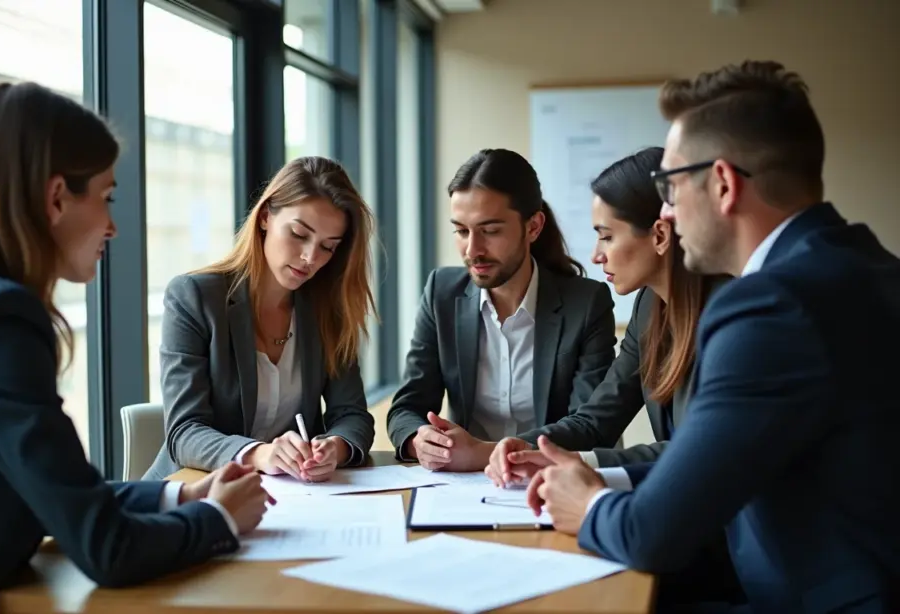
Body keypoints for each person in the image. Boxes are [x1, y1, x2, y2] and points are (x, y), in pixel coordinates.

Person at [0, 82, 271, 614]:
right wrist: (219, 519)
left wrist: (181, 495)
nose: (111, 225)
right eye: (106, 197)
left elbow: (50, 492)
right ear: (56, 196)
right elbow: (107, 548)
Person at [529, 61, 900, 612]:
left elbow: (648, 535)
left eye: (671, 187)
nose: (669, 214)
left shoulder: (770, 307)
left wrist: (585, 506)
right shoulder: (868, 267)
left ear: (723, 184)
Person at [484, 147, 727, 485]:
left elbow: (697, 451)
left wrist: (574, 462)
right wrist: (523, 448)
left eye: (607, 236)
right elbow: (596, 420)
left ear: (660, 235)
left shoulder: (727, 315)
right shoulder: (649, 307)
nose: (596, 256)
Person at [143, 156, 377, 483]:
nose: (310, 257)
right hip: (194, 491)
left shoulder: (328, 310)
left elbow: (351, 415)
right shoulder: (194, 298)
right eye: (298, 234)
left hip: (289, 495)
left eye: (327, 247)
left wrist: (332, 448)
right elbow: (184, 432)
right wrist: (260, 454)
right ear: (266, 216)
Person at [385, 148, 616, 473]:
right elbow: (407, 407)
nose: (472, 250)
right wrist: (418, 439)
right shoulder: (442, 293)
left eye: (490, 231)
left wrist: (484, 452)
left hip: (549, 479)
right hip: (462, 486)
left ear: (533, 227)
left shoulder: (586, 303)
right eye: (462, 231)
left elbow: (590, 426)